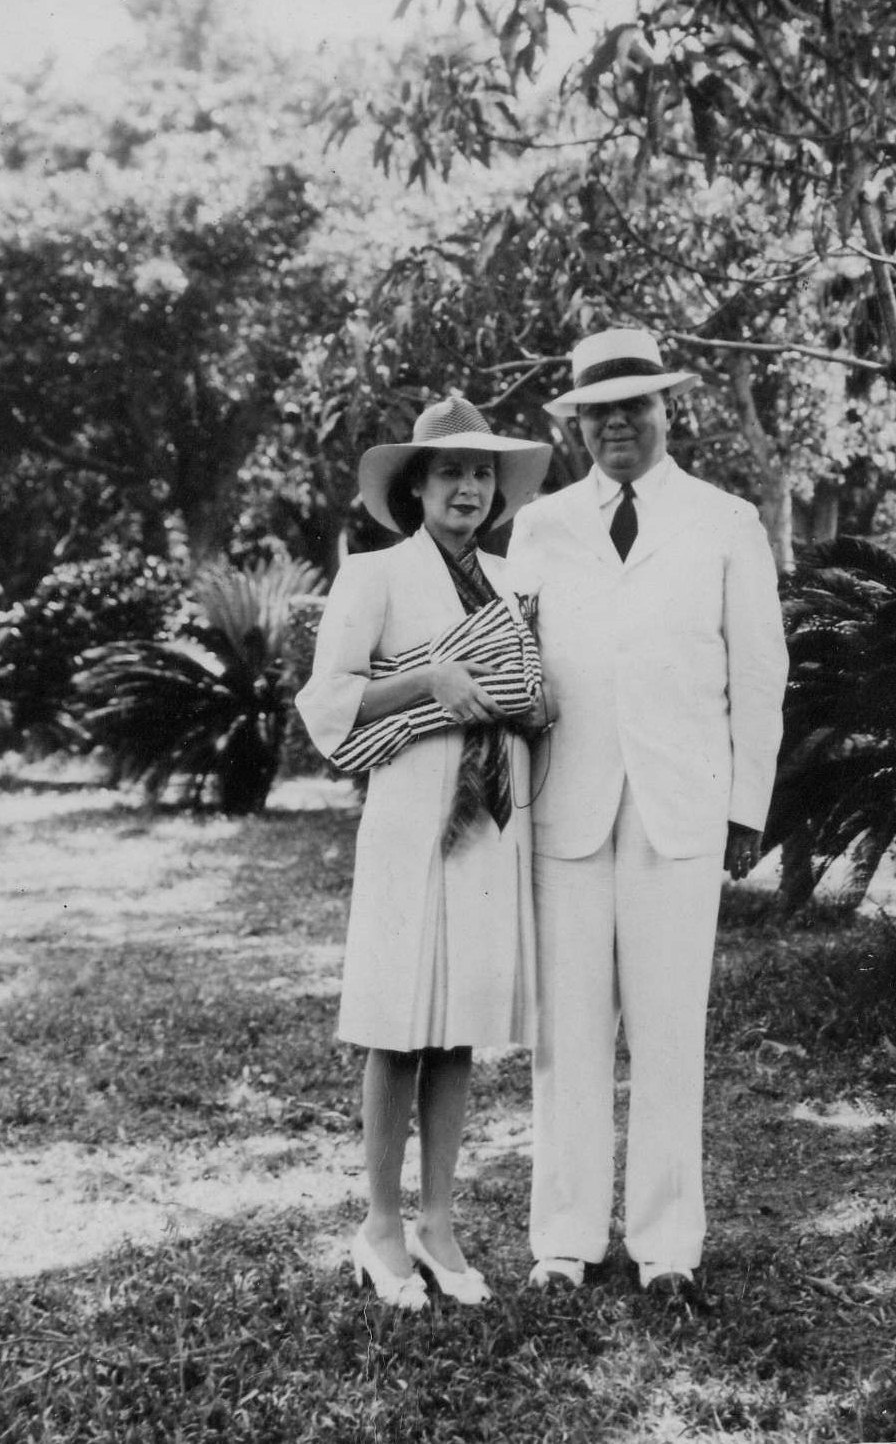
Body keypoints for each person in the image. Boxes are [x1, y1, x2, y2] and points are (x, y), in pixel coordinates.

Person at [508, 327, 788, 1305]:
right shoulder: (540, 526)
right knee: (568, 1033)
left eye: (635, 404)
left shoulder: (725, 521)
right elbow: (514, 664)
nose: (617, 423)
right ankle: (565, 1238)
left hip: (682, 807)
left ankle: (668, 1243)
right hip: (565, 808)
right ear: (576, 424)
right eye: (598, 411)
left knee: (670, 1030)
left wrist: (746, 806)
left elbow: (759, 672)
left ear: (669, 408)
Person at [296, 396, 551, 1311]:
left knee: (459, 1021)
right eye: (450, 472)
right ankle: (379, 1224)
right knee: (398, 1018)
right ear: (416, 486)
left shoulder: (511, 582)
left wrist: (531, 700)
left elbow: (533, 688)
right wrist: (429, 678)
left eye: (482, 473)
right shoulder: (376, 574)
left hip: (487, 819)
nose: (468, 488)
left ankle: (437, 1222)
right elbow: (329, 702)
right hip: (412, 814)